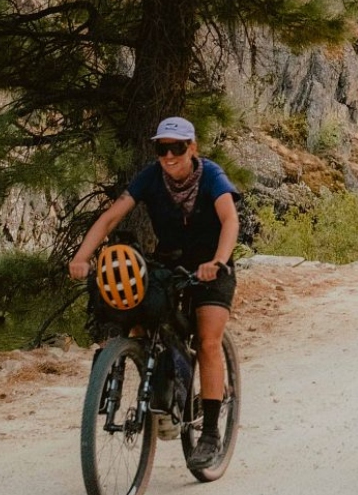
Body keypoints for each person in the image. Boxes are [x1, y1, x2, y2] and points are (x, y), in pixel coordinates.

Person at [70, 115, 239, 469]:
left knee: (208, 340)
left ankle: (209, 433)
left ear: (192, 148)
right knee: (139, 316)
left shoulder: (211, 176)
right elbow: (110, 218)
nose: (169, 156)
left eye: (176, 148)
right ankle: (158, 385)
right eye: (161, 148)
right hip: (169, 263)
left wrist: (219, 261)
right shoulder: (151, 177)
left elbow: (229, 220)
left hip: (211, 265)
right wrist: (83, 257)